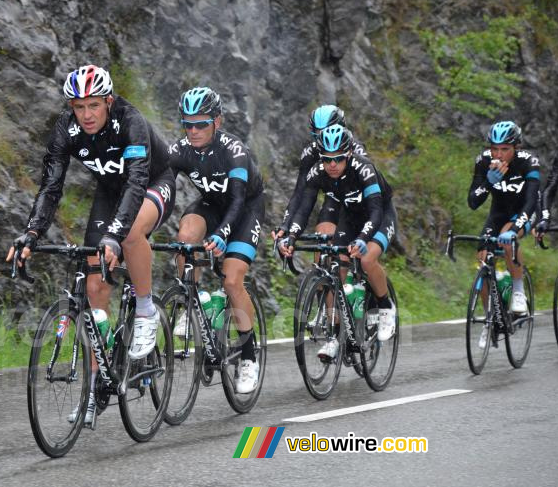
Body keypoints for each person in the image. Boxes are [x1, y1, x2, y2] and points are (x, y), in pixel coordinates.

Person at [7, 64, 176, 425]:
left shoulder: (130, 121)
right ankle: (97, 384)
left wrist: (114, 235)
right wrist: (32, 233)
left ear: (108, 101)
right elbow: (51, 186)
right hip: (110, 191)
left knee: (128, 234)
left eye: (94, 106)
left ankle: (145, 311)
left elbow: (136, 182)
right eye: (79, 106)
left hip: (151, 183)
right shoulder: (65, 129)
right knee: (95, 285)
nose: (86, 115)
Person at [167, 86, 264, 394]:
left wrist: (222, 233)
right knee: (185, 238)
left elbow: (237, 200)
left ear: (217, 122)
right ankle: (192, 302)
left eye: (201, 124)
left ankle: (248, 357)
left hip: (244, 210)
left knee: (232, 281)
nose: (193, 131)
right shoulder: (180, 150)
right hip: (211, 205)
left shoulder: (234, 151)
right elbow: (161, 186)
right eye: (188, 124)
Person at [280, 124, 397, 361]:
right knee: (336, 269)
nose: (332, 164)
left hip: (380, 216)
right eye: (326, 159)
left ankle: (386, 306)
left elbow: (375, 212)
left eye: (338, 159)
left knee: (366, 259)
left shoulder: (364, 169)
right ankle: (334, 335)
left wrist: (362, 239)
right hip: (350, 217)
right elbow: (304, 210)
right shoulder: (317, 172)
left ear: (349, 154)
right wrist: (291, 236)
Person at [468, 121, 539, 325]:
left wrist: (515, 229)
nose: (498, 155)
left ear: (516, 148)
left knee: (507, 239)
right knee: (482, 260)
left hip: (524, 212)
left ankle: (518, 290)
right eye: (494, 148)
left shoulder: (528, 162)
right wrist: (488, 182)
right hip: (498, 214)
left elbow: (531, 202)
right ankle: (491, 320)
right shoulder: (483, 161)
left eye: (505, 149)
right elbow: (473, 202)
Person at [273, 104, 367, 244]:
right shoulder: (310, 153)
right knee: (322, 240)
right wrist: (286, 225)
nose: (322, 139)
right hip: (333, 199)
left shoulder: (356, 150)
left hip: (358, 202)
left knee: (349, 249)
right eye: (317, 135)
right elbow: (300, 192)